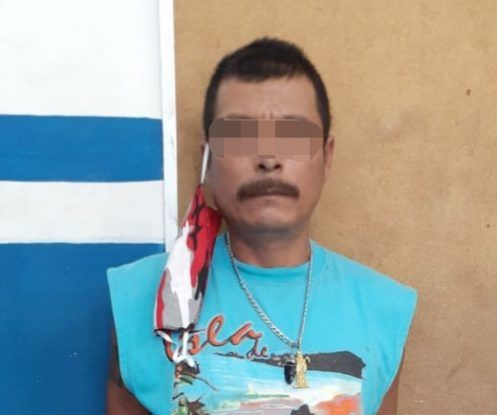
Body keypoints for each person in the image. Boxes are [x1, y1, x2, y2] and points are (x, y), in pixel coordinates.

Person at [106, 37, 418, 415]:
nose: (268, 158)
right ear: (208, 159)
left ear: (326, 156)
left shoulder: (383, 309)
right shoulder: (139, 297)